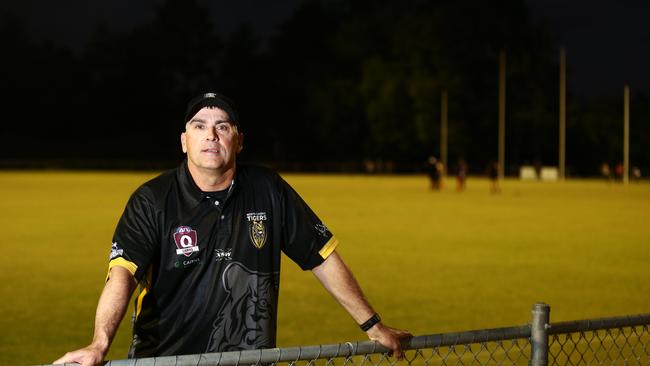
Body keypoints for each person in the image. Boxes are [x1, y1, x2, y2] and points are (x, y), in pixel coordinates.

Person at [54, 92, 411, 366]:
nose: (211, 135)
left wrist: (373, 326)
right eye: (199, 126)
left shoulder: (268, 189)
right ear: (184, 141)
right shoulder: (152, 199)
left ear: (238, 140)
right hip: (164, 360)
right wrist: (100, 343)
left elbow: (321, 256)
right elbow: (122, 274)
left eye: (222, 126)